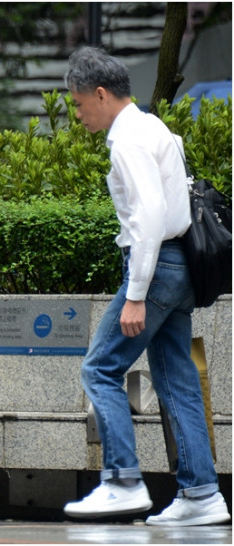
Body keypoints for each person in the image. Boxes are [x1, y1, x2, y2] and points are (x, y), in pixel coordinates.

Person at [61, 47, 230, 526]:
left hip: (155, 270)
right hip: (179, 267)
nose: (78, 115)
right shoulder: (153, 125)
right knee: (176, 380)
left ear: (99, 93)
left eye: (78, 104)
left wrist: (135, 294)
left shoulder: (128, 140)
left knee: (99, 368)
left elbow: (150, 218)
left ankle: (122, 481)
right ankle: (201, 494)